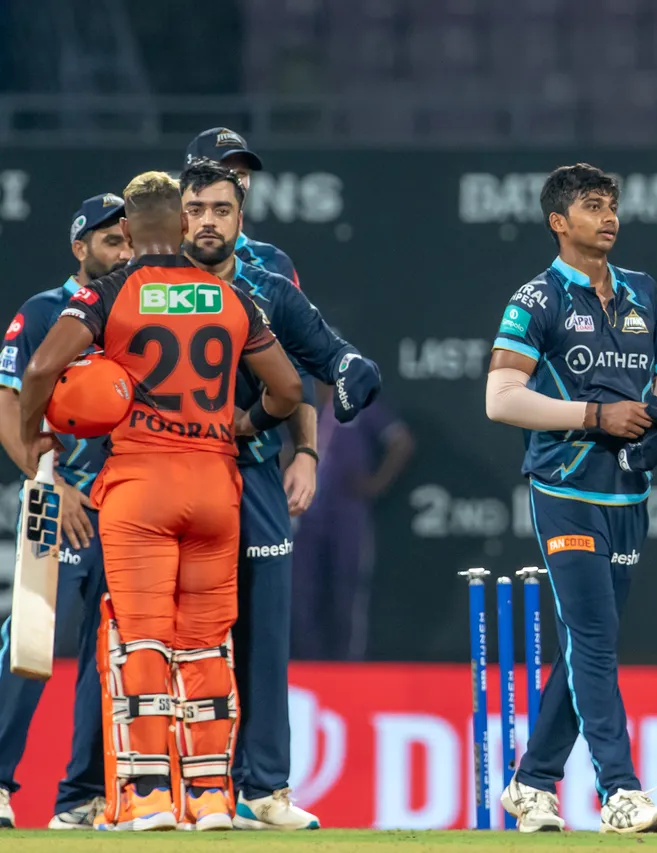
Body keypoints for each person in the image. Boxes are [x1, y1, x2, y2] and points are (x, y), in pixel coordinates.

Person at [16, 171, 303, 831]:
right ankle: (210, 798)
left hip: (140, 487)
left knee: (140, 639)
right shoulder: (232, 295)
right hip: (216, 486)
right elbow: (288, 389)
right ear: (182, 224)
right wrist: (245, 423)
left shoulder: (106, 293)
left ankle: (146, 797)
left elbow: (39, 370)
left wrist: (35, 438)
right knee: (206, 644)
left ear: (128, 229)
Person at [177, 159, 381, 829]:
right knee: (174, 632)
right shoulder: (148, 284)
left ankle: (262, 789)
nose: (209, 221)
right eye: (197, 209)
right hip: (167, 474)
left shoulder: (268, 286)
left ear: (241, 216)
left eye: (222, 209)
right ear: (180, 214)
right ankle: (167, 786)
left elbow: (323, 358)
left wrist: (335, 401)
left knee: (265, 631)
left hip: (254, 470)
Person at [485, 164, 657, 834]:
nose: (608, 217)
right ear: (558, 222)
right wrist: (596, 417)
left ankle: (532, 782)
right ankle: (619, 792)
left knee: (584, 645)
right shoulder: (536, 299)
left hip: (628, 494)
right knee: (594, 641)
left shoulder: (642, 291)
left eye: (612, 205)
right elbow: (500, 399)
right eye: (592, 206)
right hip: (564, 490)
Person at [0, 193, 131, 830]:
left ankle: (82, 798)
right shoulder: (44, 311)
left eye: (129, 240)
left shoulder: (141, 314)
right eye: (110, 241)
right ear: (80, 248)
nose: (123, 252)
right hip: (58, 499)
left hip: (129, 506)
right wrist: (49, 482)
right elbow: (8, 405)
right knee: (30, 640)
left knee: (111, 652)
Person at [291, 382, 413, 661]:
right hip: (305, 516)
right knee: (301, 593)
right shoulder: (300, 404)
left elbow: (401, 440)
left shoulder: (356, 404)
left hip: (347, 514)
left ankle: (349, 665)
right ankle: (308, 663)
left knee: (347, 591)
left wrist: (377, 483)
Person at [184, 127, 299, 286]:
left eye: (241, 173)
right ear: (191, 178)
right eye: (223, 172)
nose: (235, 182)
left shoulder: (272, 262)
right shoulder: (163, 258)